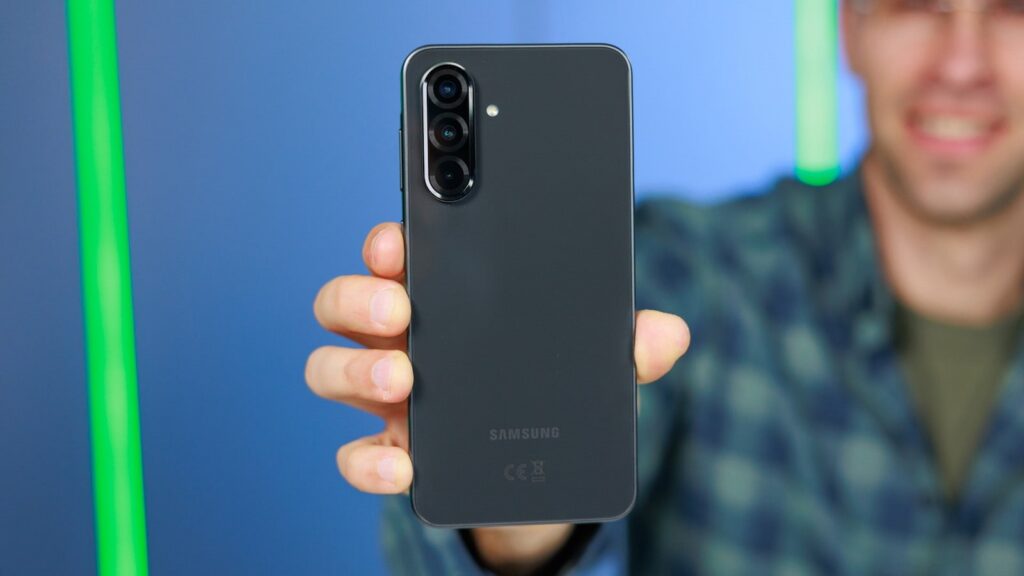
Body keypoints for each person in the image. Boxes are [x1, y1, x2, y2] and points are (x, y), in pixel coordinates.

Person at [305, 0, 1024, 573]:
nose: (961, 66)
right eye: (916, 5)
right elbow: (482, 543)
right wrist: (511, 515)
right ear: (850, 30)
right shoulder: (694, 270)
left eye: (1012, 9)